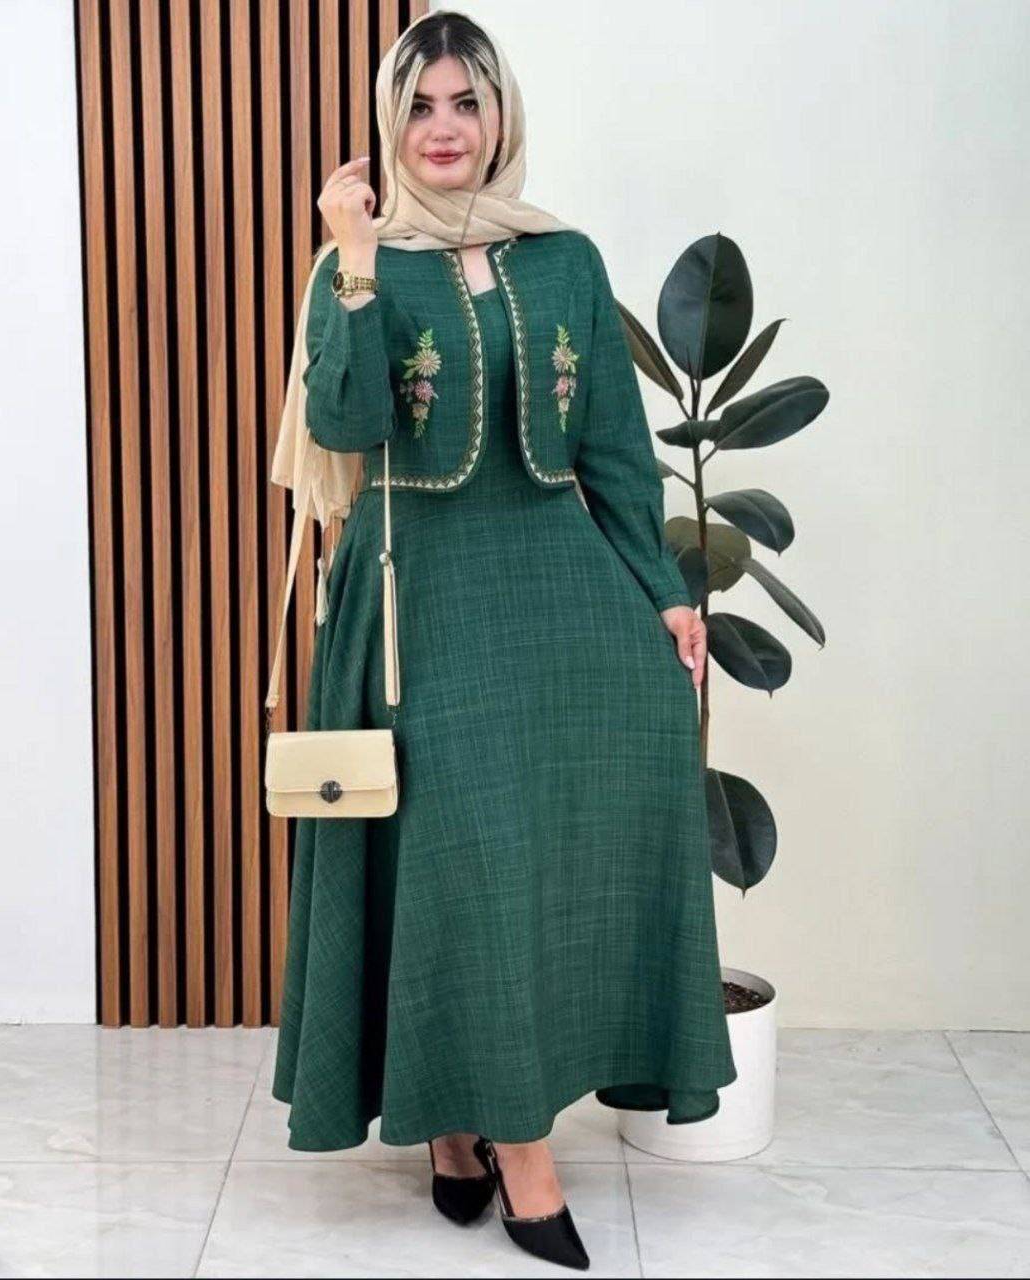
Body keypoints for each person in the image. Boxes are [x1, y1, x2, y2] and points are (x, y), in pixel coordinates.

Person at [269, 10, 736, 1271]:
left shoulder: (562, 257)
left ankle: (462, 1126)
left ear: (500, 115)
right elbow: (347, 421)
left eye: (465, 102)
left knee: (573, 818)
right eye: (419, 105)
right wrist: (352, 257)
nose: (443, 129)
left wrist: (664, 593)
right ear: (390, 122)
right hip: (418, 590)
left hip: (557, 577)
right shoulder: (356, 265)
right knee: (466, 854)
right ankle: (516, 1153)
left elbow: (614, 447)